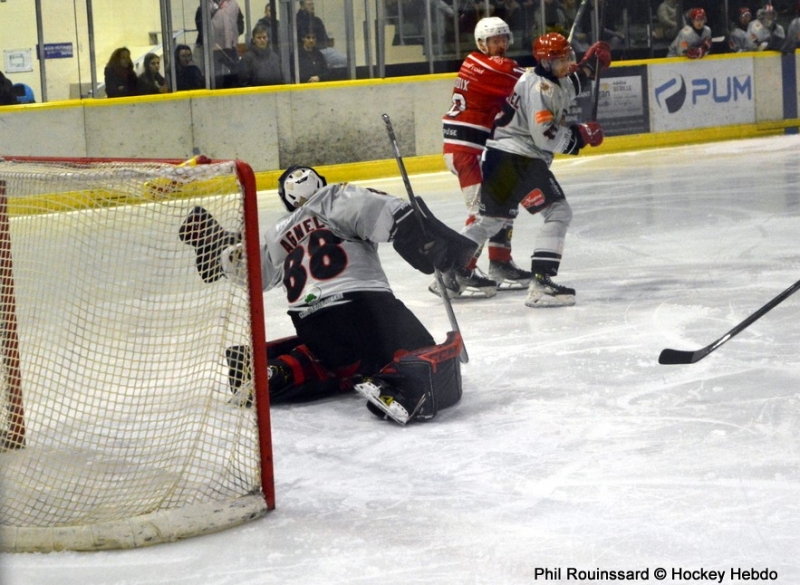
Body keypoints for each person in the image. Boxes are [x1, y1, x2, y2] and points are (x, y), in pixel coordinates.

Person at [178, 166, 477, 424]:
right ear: (320, 183)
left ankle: (279, 369)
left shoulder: (276, 235)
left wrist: (222, 252)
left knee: (339, 364)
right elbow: (381, 210)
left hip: (311, 323)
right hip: (363, 306)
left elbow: (252, 271)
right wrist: (421, 234)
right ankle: (396, 385)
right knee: (417, 349)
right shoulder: (335, 197)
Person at [445, 32, 610, 308]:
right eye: (560, 60)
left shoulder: (546, 79)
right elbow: (545, 136)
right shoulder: (539, 89)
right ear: (545, 62)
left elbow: (567, 86)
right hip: (519, 160)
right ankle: (541, 284)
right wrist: (580, 135)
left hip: (499, 157)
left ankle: (450, 271)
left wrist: (589, 67)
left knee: (489, 221)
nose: (567, 64)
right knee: (558, 212)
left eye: (568, 58)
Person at [437, 17, 528, 298]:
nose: (500, 45)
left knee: (503, 203)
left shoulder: (479, 64)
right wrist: (570, 69)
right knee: (483, 214)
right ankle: (456, 270)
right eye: (494, 41)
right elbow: (532, 84)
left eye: (503, 39)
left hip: (472, 149)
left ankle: (500, 263)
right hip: (467, 152)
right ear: (481, 44)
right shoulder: (489, 66)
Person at [196, 0, 244, 88]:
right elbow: (200, 25)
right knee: (215, 72)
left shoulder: (233, 4)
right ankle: (216, 89)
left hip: (230, 45)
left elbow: (240, 21)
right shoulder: (205, 6)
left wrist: (236, 33)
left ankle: (235, 87)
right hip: (213, 48)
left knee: (235, 69)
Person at [296, 0, 347, 69]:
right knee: (346, 59)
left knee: (345, 60)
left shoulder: (317, 20)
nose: (312, 7)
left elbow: (325, 39)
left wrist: (328, 41)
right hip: (316, 51)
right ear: (302, 7)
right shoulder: (299, 22)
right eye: (309, 5)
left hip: (323, 49)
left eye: (312, 4)